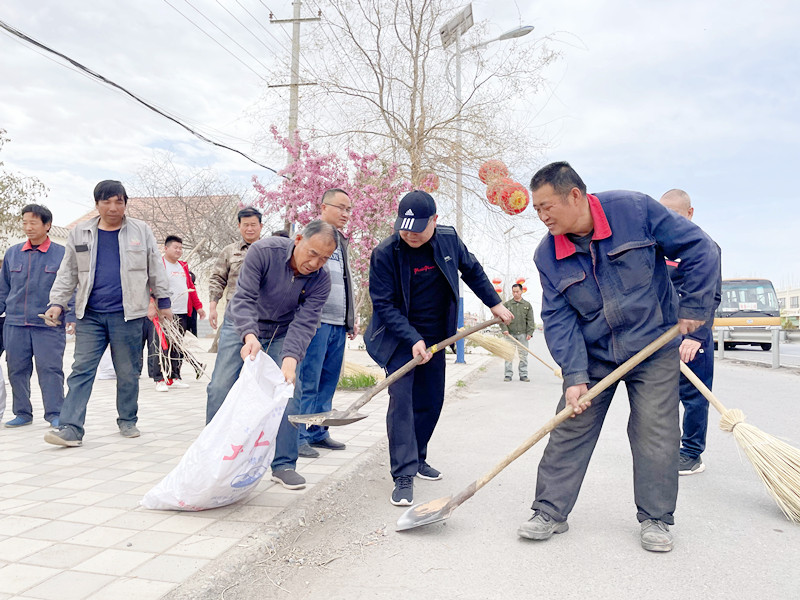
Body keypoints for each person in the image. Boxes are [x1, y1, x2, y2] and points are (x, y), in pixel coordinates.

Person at [517, 162, 720, 552]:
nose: (541, 216)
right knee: (570, 426)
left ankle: (657, 519)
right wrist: (574, 375)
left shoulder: (635, 211)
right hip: (594, 355)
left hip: (654, 345)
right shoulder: (548, 255)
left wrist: (695, 305)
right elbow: (558, 319)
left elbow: (701, 248)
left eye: (546, 207)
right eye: (536, 209)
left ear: (574, 195)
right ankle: (549, 511)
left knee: (656, 434)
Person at [365, 190, 514, 506]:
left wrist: (495, 303)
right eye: (404, 228)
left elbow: (471, 269)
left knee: (431, 400)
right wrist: (411, 339)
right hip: (397, 338)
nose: (410, 235)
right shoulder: (385, 253)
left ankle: (418, 458)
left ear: (435, 220)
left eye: (418, 228)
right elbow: (384, 305)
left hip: (436, 338)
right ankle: (403, 475)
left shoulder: (448, 240)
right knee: (402, 401)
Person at [205, 220, 336, 491]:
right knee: (220, 386)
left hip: (283, 329)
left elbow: (306, 321)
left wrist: (291, 358)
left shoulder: (321, 280)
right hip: (240, 323)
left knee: (289, 391)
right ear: (298, 239)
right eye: (312, 253)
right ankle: (211, 457)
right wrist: (249, 336)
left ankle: (284, 464)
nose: (315, 263)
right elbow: (244, 298)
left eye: (323, 258)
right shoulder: (264, 252)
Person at [43, 180, 172, 447]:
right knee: (81, 370)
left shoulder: (141, 230)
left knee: (127, 371)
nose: (113, 208)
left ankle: (127, 419)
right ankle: (71, 428)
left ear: (125, 203)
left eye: (119, 201)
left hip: (128, 314)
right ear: (97, 204)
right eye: (107, 202)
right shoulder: (80, 233)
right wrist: (57, 303)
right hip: (90, 314)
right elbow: (68, 272)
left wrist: (164, 300)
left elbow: (155, 266)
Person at [289, 189, 356, 460]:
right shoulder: (311, 236)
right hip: (314, 322)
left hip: (338, 322)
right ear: (323, 207)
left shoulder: (343, 242)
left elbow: (347, 280)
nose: (345, 214)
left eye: (349, 210)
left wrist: (350, 318)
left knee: (328, 381)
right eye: (341, 208)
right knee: (308, 381)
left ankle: (318, 431)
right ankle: (300, 435)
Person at [660, 189, 720, 476]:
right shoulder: (658, 250)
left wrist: (695, 337)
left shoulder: (705, 248)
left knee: (694, 397)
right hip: (661, 337)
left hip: (693, 337)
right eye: (664, 215)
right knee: (662, 394)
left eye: (675, 214)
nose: (669, 220)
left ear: (690, 213)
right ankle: (667, 450)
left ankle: (692, 453)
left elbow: (712, 297)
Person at [0, 204, 73, 427]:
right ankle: (22, 412)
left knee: (50, 370)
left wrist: (71, 317)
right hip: (14, 323)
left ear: (47, 225)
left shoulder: (62, 254)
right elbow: (4, 288)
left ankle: (55, 414)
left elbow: (71, 286)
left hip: (47, 324)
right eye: (24, 222)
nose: (27, 227)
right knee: (16, 369)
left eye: (33, 222)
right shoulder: (13, 253)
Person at [146, 235, 205, 391]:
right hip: (163, 312)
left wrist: (198, 306)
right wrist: (151, 304)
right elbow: (150, 286)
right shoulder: (159, 265)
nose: (179, 250)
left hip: (182, 312)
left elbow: (191, 289)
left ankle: (175, 376)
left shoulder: (183, 266)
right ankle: (160, 379)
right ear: (166, 248)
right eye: (175, 247)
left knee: (177, 345)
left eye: (180, 248)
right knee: (160, 345)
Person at [207, 207, 263, 332]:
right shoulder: (229, 251)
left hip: (263, 313)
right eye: (245, 225)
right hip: (234, 312)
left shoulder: (270, 251)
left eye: (253, 225)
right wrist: (212, 308)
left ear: (261, 226)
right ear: (239, 226)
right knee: (228, 351)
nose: (249, 229)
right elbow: (217, 279)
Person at [501, 283, 536, 382]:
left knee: (523, 355)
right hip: (509, 334)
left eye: (517, 292)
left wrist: (529, 332)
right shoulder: (507, 305)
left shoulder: (527, 305)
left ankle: (523, 375)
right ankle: (508, 375)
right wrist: (504, 329)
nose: (515, 294)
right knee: (508, 354)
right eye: (513, 292)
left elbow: (530, 320)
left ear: (521, 291)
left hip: (523, 334)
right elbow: (501, 319)